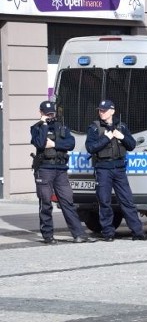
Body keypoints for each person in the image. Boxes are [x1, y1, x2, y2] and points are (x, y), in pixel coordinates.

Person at [85, 99, 147, 241]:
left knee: (127, 201)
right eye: (100, 110)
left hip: (119, 168)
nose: (101, 113)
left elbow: (132, 145)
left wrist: (121, 136)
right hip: (103, 169)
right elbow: (90, 147)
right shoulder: (95, 128)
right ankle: (108, 233)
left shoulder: (121, 126)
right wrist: (107, 138)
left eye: (104, 110)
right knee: (104, 201)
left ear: (112, 111)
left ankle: (138, 232)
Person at [30, 100, 90, 244]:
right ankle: (48, 236)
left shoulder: (61, 127)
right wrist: (43, 125)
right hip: (44, 169)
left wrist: (55, 144)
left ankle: (78, 234)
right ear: (41, 113)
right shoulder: (36, 128)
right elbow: (39, 143)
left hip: (61, 170)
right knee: (45, 203)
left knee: (67, 201)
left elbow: (71, 143)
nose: (51, 115)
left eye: (52, 113)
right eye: (47, 113)